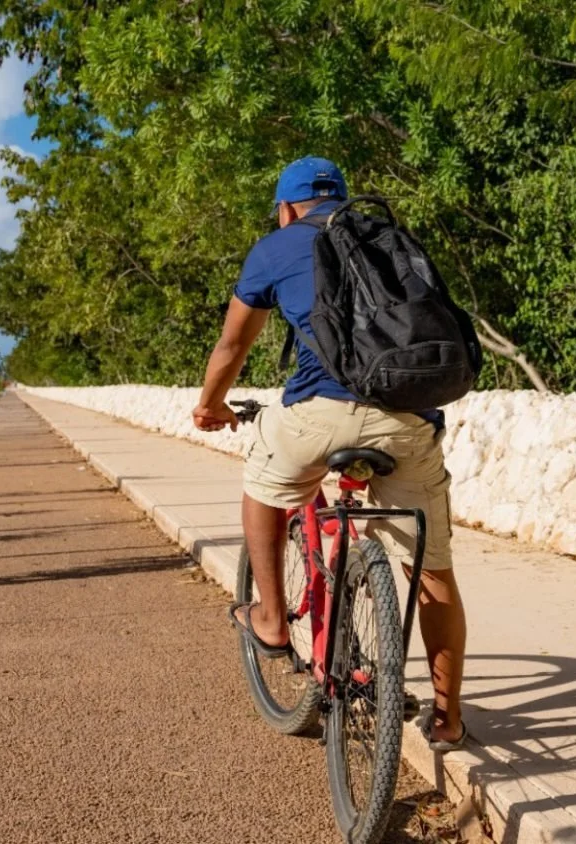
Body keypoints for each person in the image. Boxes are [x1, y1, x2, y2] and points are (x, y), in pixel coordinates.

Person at [191, 156, 468, 749]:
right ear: (341, 199)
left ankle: (269, 618)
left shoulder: (278, 246)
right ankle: (448, 719)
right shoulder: (387, 236)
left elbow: (232, 343)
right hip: (408, 417)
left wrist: (209, 405)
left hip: (317, 417)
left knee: (263, 486)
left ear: (288, 208)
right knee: (433, 569)